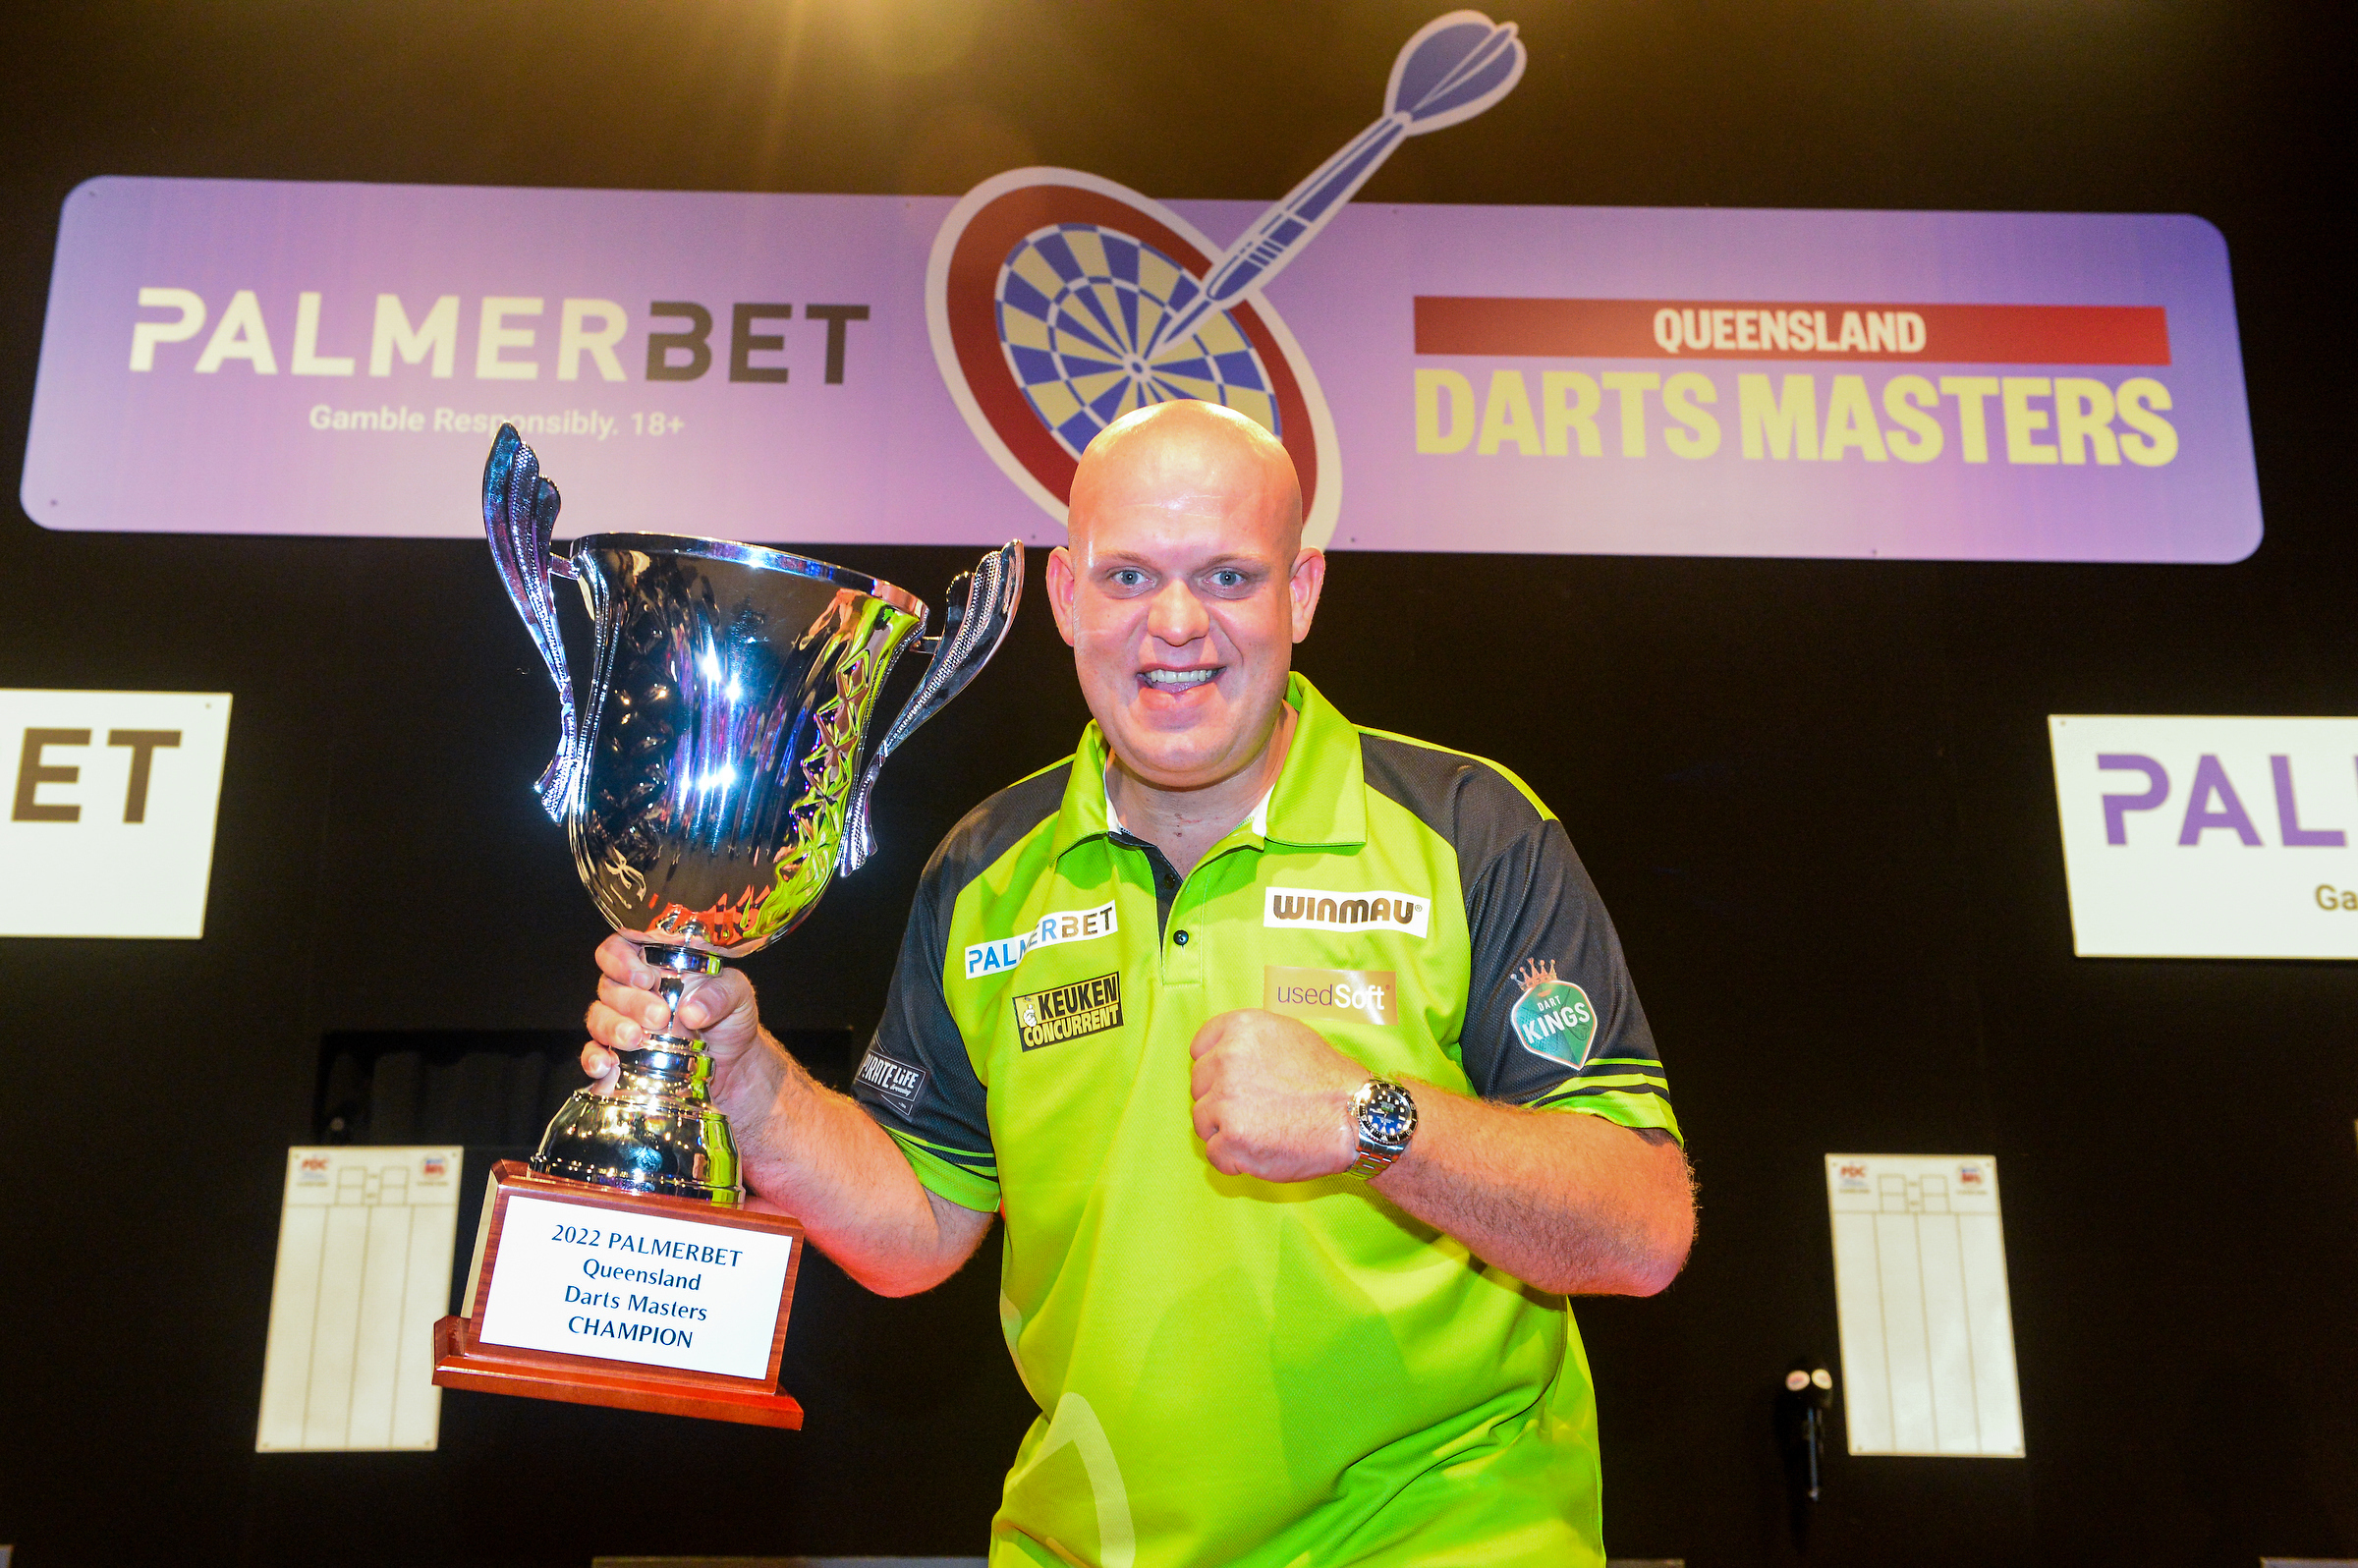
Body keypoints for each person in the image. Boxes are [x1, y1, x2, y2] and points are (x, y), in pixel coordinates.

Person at [581, 399, 1695, 1567]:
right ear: (1065, 597)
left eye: (1225, 574)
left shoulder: (1471, 831)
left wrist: (1376, 1122)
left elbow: (1643, 1228)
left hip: (1443, 1537)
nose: (1174, 625)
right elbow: (919, 1230)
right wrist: (748, 1082)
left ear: (1300, 594)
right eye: (1126, 578)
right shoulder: (986, 871)